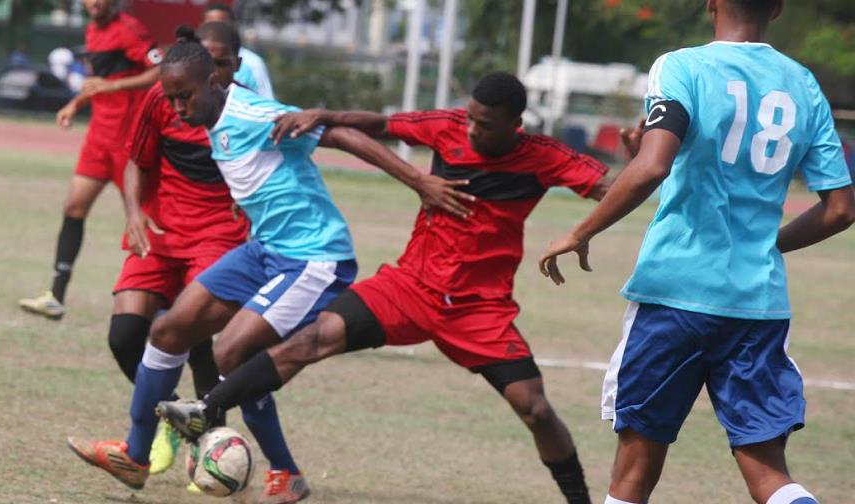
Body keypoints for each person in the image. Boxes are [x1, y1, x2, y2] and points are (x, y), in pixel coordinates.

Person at [158, 72, 618, 504]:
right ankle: (205, 409)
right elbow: (382, 124)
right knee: (312, 339)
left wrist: (583, 232)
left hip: (478, 308)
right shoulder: (447, 127)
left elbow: (613, 188)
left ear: (516, 124)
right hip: (409, 287)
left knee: (534, 409)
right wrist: (322, 115)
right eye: (471, 118)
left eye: (486, 125)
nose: (473, 130)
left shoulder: (544, 155)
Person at [67, 27, 470, 504]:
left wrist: (419, 182)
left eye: (184, 97)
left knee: (230, 352)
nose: (177, 108)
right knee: (169, 330)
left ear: (214, 81)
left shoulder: (254, 114)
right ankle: (135, 457)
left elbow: (341, 136)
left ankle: (286, 473)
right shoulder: (209, 115)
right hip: (265, 251)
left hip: (314, 258)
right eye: (170, 99)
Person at [536, 1, 855, 503]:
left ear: (711, 2)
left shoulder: (681, 66)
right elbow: (840, 209)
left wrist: (579, 232)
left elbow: (653, 165)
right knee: (769, 474)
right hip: (757, 304)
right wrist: (765, 244)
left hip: (674, 295)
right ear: (777, 9)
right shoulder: (803, 83)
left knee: (633, 474)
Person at [106, 22, 259, 484]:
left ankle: (209, 443)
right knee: (125, 336)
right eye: (208, 63)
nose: (215, 73)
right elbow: (136, 160)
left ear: (235, 65)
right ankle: (174, 415)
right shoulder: (165, 98)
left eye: (224, 64)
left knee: (195, 338)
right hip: (163, 228)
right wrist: (134, 212)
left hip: (218, 235)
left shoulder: (248, 108)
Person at [19, 0, 162, 320]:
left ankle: (159, 304)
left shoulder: (130, 30)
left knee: (141, 221)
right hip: (99, 137)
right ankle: (56, 296)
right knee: (74, 207)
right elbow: (99, 81)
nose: (95, 2)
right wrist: (76, 104)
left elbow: (161, 70)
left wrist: (113, 86)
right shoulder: (92, 31)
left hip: (129, 142)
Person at [203, 2, 274, 99]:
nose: (215, 73)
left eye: (222, 64)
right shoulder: (190, 58)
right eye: (212, 24)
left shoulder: (253, 63)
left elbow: (266, 100)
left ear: (237, 63)